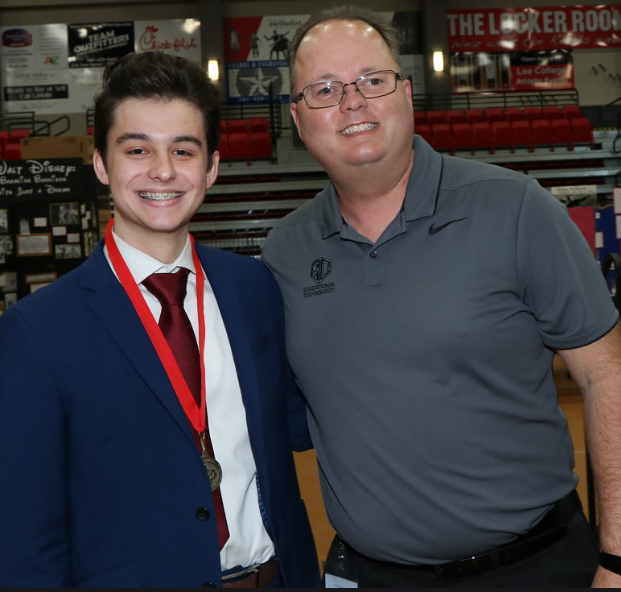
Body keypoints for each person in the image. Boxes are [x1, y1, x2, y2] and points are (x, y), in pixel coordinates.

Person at [261, 5, 621, 588]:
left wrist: (618, 557)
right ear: (299, 121)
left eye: (371, 81)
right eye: (324, 90)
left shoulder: (515, 208)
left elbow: (608, 375)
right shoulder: (284, 252)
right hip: (370, 574)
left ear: (405, 94)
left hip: (537, 568)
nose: (352, 102)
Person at [0, 51, 320, 588]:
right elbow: (27, 534)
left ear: (212, 167)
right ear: (101, 163)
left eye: (183, 149)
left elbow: (304, 424)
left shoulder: (254, 289)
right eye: (137, 149)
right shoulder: (36, 332)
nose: (163, 170)